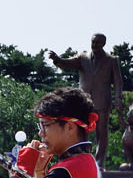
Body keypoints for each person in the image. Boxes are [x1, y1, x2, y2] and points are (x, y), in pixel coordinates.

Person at [48, 34, 126, 164]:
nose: (94, 45)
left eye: (97, 43)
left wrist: (118, 98)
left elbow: (118, 81)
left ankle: (99, 163)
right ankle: (82, 159)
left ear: (103, 44)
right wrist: (57, 59)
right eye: (93, 42)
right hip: (84, 102)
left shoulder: (111, 60)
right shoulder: (83, 57)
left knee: (101, 133)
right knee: (81, 130)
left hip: (103, 101)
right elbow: (67, 64)